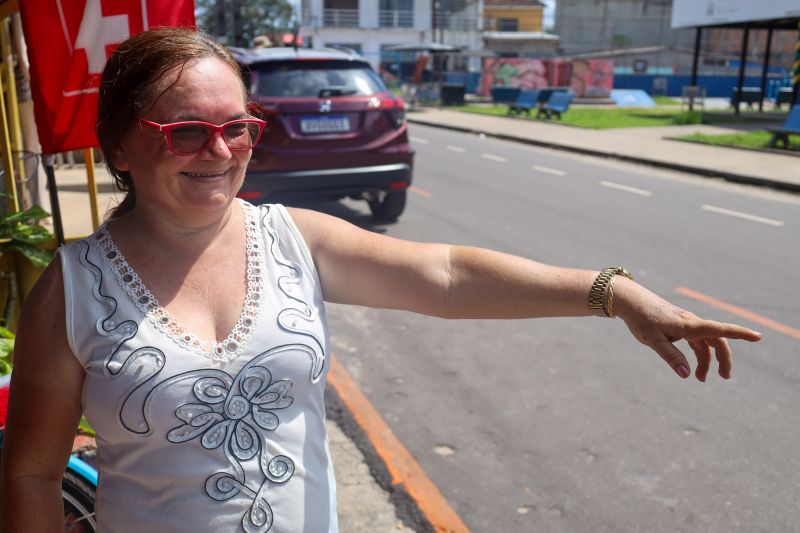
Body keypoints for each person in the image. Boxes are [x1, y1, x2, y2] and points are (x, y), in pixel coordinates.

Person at [0, 27, 761, 533]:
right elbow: (34, 473)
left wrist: (611, 292)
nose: (221, 150)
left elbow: (446, 274)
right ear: (121, 148)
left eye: (238, 127)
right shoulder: (70, 291)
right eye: (186, 131)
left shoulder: (291, 239)